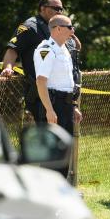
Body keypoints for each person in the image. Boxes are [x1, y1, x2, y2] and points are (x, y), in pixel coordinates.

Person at [0, 0, 81, 121]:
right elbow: (12, 50)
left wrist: (74, 104)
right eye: (55, 8)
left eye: (61, 9)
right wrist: (8, 68)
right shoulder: (30, 27)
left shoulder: (62, 28)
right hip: (42, 97)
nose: (59, 11)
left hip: (65, 99)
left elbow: (70, 67)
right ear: (42, 8)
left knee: (64, 139)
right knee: (49, 138)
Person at [34, 14, 81, 177]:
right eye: (70, 27)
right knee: (51, 157)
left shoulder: (63, 49)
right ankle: (46, 196)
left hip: (65, 106)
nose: (73, 30)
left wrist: (72, 106)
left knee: (63, 154)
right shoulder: (46, 49)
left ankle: (59, 194)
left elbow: (65, 82)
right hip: (53, 106)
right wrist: (49, 110)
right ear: (58, 29)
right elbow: (41, 81)